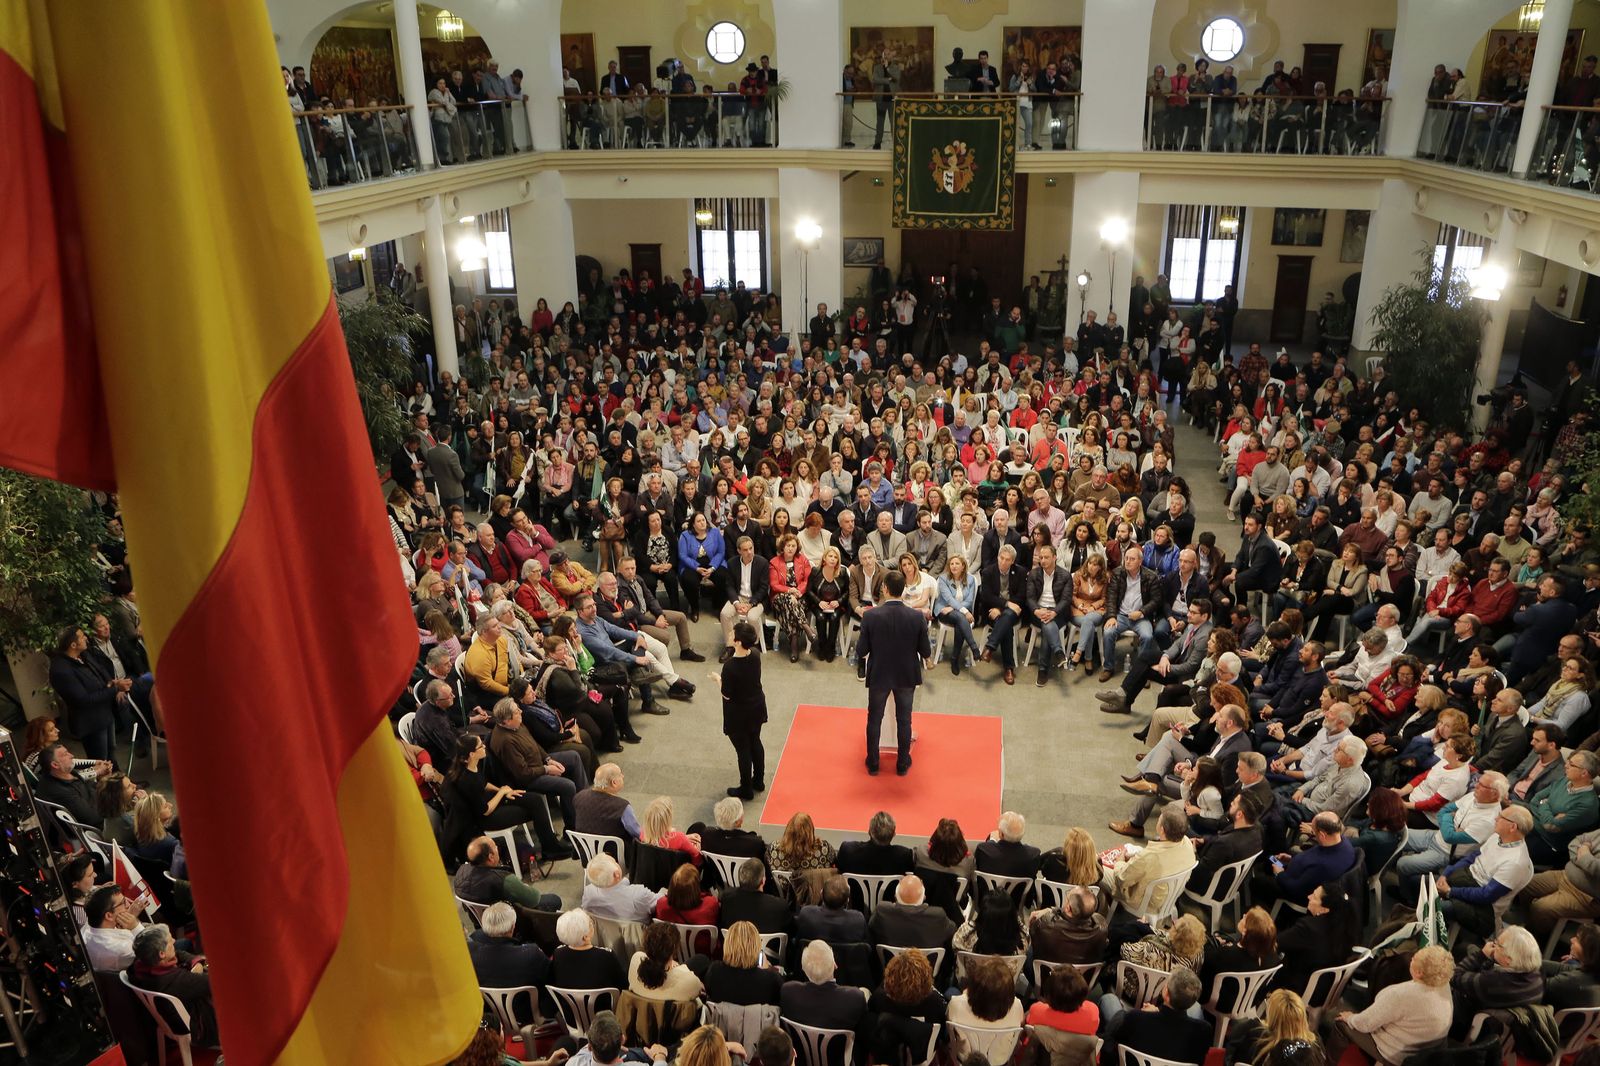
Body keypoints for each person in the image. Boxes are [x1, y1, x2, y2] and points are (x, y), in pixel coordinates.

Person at [856, 568, 931, 776]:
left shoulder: (871, 616)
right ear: (903, 589)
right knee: (904, 720)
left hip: (880, 674)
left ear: (885, 589)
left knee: (874, 719)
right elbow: (925, 650)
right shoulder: (916, 617)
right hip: (906, 675)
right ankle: (902, 763)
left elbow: (862, 650)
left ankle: (873, 762)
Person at [129, 924, 220, 1050]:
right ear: (162, 954)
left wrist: (195, 962)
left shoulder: (140, 965)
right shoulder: (175, 980)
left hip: (170, 1017)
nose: (174, 941)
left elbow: (178, 953)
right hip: (197, 1024)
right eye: (170, 941)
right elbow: (216, 983)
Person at [48, 625, 127, 760]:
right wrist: (114, 689)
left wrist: (111, 682)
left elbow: (100, 669)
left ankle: (119, 780)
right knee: (100, 759)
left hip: (105, 712)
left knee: (112, 751)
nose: (86, 638)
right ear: (73, 644)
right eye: (82, 636)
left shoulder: (83, 654)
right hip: (91, 723)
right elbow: (83, 700)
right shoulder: (61, 670)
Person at [712, 621, 767, 800]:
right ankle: (758, 780)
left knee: (743, 750)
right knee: (755, 742)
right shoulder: (756, 655)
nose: (729, 635)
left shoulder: (730, 667)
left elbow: (726, 695)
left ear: (738, 642)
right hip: (756, 707)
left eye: (732, 634)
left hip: (739, 714)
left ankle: (746, 788)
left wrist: (718, 679)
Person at [468, 901, 549, 990]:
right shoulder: (531, 954)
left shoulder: (470, 952)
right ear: (513, 927)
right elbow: (549, 978)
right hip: (526, 1002)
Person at [628, 920, 705, 1002]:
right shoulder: (689, 981)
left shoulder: (635, 960)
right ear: (674, 949)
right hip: (671, 1013)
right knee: (702, 960)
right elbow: (701, 989)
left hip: (641, 1012)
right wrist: (679, 967)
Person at [82, 884, 144, 971]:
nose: (128, 904)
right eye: (123, 902)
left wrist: (128, 916)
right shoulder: (123, 950)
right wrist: (135, 926)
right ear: (109, 916)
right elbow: (154, 950)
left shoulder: (87, 927)